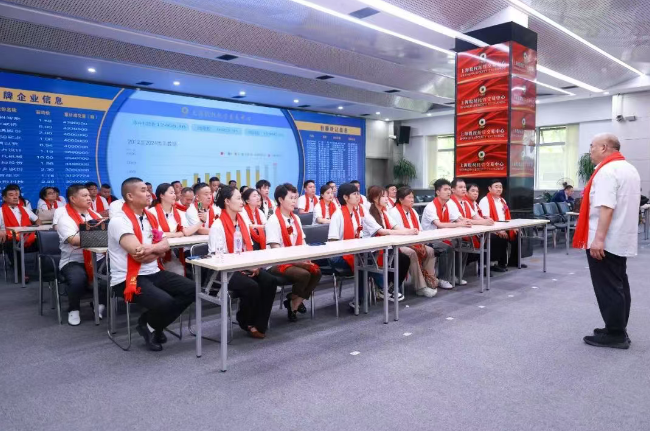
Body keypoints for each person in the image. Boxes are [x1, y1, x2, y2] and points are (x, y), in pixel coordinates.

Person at [108, 177, 195, 351]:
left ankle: (149, 325)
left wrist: (153, 249)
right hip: (127, 278)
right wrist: (157, 250)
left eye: (148, 190)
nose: (149, 193)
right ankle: (154, 326)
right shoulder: (119, 221)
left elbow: (165, 246)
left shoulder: (150, 217)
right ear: (130, 196)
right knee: (165, 302)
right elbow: (139, 255)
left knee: (192, 289)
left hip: (154, 271)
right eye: (143, 190)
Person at [575, 134, 640, 349]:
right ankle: (617, 327)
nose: (590, 151)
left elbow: (606, 207)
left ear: (604, 147)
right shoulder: (629, 169)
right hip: (621, 237)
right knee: (619, 284)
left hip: (606, 240)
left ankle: (615, 334)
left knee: (608, 287)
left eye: (592, 146)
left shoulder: (607, 171)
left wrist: (598, 239)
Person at [208, 186, 277, 339]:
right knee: (251, 286)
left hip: (244, 264)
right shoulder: (218, 225)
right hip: (225, 270)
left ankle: (260, 323)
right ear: (227, 201)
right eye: (238, 198)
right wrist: (246, 266)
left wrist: (253, 265)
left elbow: (248, 247)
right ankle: (246, 321)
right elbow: (217, 257)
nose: (241, 202)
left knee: (270, 281)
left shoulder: (242, 221)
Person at [266, 183, 322, 322]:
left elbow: (302, 242)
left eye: (295, 198)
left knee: (316, 271)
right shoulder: (273, 220)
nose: (294, 201)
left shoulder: (295, 218)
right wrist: (298, 261)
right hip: (277, 262)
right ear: (280, 199)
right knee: (304, 274)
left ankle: (294, 301)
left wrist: (306, 258)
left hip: (295, 260)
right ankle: (294, 301)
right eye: (291, 198)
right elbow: (275, 248)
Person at [57, 184, 106, 325]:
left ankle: (99, 304)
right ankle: (73, 309)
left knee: (113, 273)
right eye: (85, 195)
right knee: (77, 279)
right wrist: (101, 236)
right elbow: (73, 240)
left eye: (89, 195)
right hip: (74, 260)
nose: (89, 198)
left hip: (98, 257)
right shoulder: (65, 219)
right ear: (73, 199)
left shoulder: (95, 215)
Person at [364, 185, 415, 302]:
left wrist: (409, 231)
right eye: (383, 196)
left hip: (385, 248)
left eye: (387, 196)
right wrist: (406, 232)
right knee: (399, 258)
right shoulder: (368, 214)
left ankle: (390, 288)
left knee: (403, 259)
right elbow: (382, 231)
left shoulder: (384, 212)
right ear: (375, 198)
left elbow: (396, 227)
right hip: (372, 252)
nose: (387, 199)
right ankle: (384, 288)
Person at [420, 179, 472, 289]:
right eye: (445, 189)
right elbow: (439, 224)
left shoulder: (448, 205)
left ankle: (456, 276)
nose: (448, 192)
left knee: (464, 245)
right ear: (438, 192)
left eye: (449, 189)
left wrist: (466, 222)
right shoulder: (430, 207)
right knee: (447, 248)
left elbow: (459, 219)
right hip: (430, 239)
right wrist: (459, 224)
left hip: (443, 237)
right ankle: (443, 278)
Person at [388, 186, 437, 297]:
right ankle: (420, 287)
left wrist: (421, 244)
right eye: (409, 197)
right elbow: (397, 233)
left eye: (413, 197)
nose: (412, 200)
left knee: (430, 250)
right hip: (399, 244)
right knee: (411, 253)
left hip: (413, 241)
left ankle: (430, 280)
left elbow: (419, 230)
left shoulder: (413, 211)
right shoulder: (394, 212)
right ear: (401, 199)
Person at [149, 183, 202, 276]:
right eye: (171, 193)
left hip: (170, 252)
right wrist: (176, 234)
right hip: (154, 252)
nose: (174, 195)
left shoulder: (178, 212)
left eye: (174, 193)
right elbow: (156, 234)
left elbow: (185, 232)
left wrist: (201, 221)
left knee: (180, 271)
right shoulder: (151, 212)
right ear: (161, 195)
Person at [448, 178, 495, 282]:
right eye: (460, 187)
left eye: (464, 187)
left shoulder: (465, 202)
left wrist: (487, 221)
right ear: (453, 190)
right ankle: (453, 276)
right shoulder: (450, 203)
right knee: (462, 245)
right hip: (453, 235)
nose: (463, 189)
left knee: (486, 239)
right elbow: (462, 220)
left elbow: (475, 217)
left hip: (464, 233)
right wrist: (483, 222)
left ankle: (458, 275)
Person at [478, 179, 522, 271]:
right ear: (489, 188)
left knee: (518, 234)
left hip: (504, 226)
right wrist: (498, 230)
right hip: (490, 229)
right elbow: (486, 218)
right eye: (496, 187)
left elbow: (507, 217)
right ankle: (496, 264)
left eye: (500, 187)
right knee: (499, 237)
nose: (499, 189)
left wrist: (513, 227)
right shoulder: (485, 201)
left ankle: (513, 261)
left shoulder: (502, 200)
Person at [1, 184, 40, 282]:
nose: (15, 197)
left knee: (44, 242)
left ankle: (47, 271)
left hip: (28, 238)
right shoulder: (1, 211)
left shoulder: (24, 209)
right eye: (11, 195)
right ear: (4, 198)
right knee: (11, 245)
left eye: (16, 195)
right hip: (10, 239)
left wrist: (37, 228)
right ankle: (21, 273)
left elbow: (37, 220)